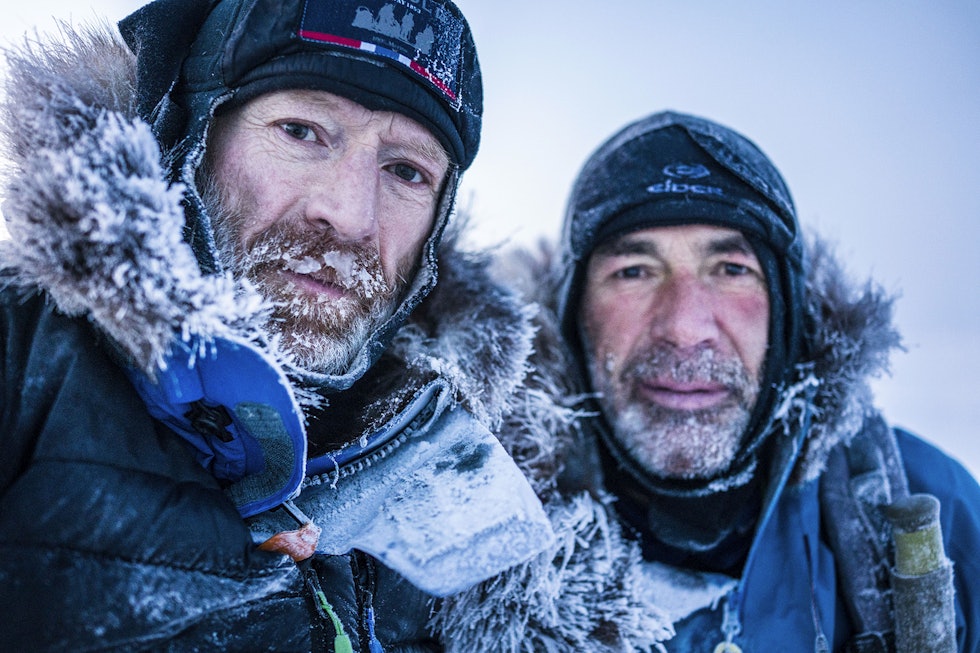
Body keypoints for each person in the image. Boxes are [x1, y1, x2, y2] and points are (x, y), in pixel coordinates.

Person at [0, 1, 675, 650]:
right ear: (194, 134)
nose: (351, 216)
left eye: (405, 171)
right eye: (302, 132)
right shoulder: (21, 351)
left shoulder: (476, 480)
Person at [508, 110, 980, 651]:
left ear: (787, 314)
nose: (685, 328)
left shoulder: (942, 511)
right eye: (633, 272)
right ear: (574, 317)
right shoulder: (467, 523)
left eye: (732, 270)